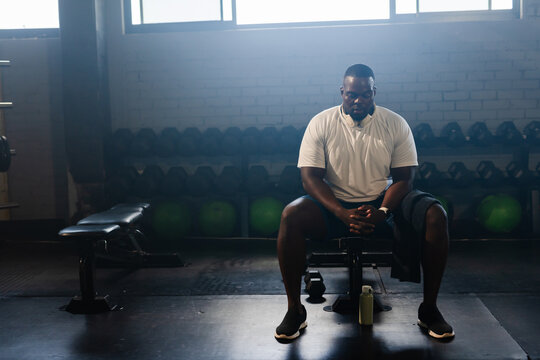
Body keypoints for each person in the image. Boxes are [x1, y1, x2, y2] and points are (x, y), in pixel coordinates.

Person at [274, 64, 454, 340]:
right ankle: (295, 310)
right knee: (291, 215)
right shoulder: (321, 123)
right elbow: (310, 179)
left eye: (365, 95)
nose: (358, 101)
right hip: (333, 207)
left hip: (383, 205)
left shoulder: (395, 123)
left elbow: (404, 179)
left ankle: (429, 310)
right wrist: (341, 213)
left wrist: (383, 211)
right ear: (342, 92)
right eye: (351, 95)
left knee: (435, 214)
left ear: (374, 92)